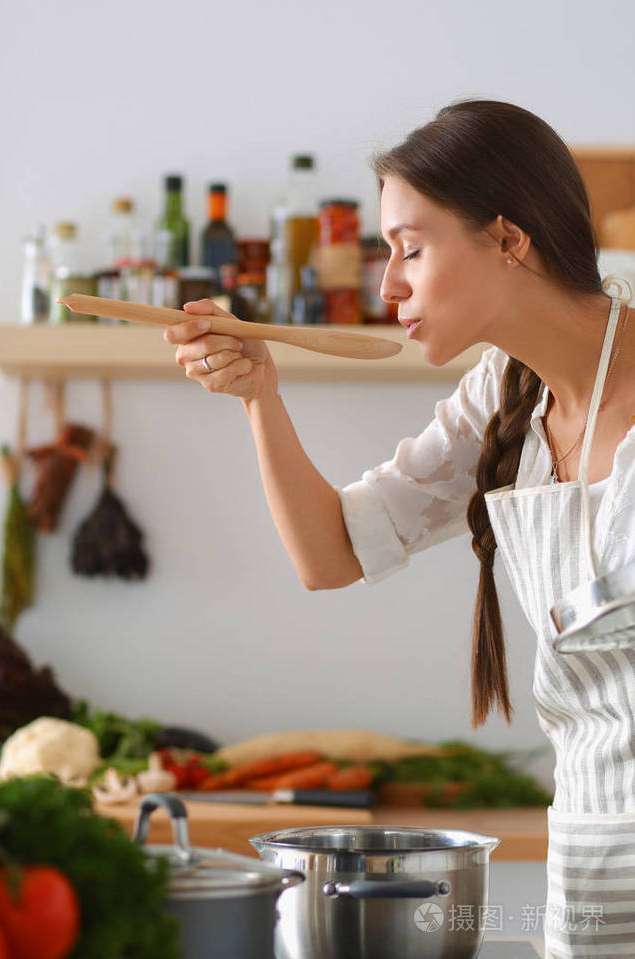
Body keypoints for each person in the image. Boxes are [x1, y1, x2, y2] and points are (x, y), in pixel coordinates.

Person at [166, 99, 635, 959]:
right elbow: (330, 554)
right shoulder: (502, 395)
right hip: (589, 863)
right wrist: (258, 394)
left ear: (507, 238)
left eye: (410, 249)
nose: (389, 285)